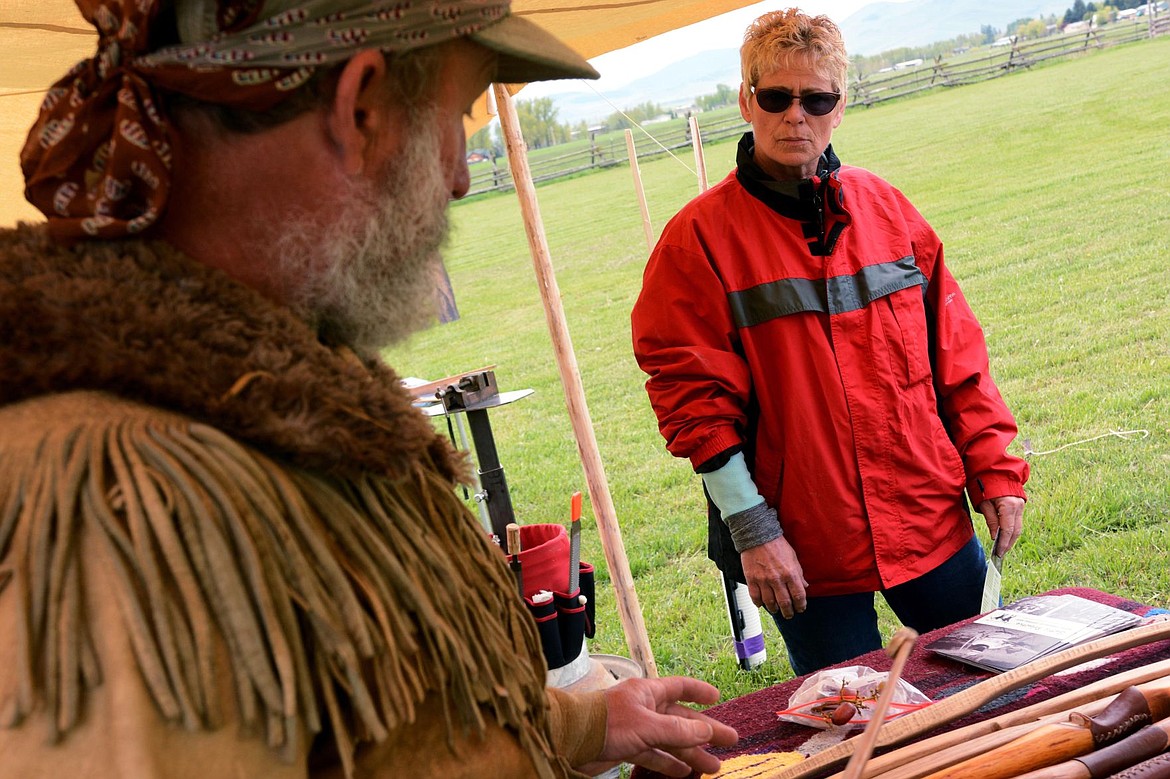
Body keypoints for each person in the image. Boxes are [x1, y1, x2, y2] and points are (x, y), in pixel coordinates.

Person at [0, 1, 737, 777]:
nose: (458, 178)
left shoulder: (271, 406)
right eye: (456, 116)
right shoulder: (122, 503)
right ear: (360, 107)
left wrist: (577, 725)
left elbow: (386, 724)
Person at [630, 8, 1029, 677]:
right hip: (802, 549)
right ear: (745, 100)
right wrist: (754, 532)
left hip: (929, 516)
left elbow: (956, 357)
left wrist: (993, 465)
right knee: (850, 734)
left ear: (839, 106)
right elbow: (693, 405)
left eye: (816, 98)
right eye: (776, 97)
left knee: (988, 694)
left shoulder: (888, 210)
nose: (796, 116)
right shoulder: (696, 241)